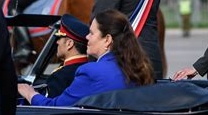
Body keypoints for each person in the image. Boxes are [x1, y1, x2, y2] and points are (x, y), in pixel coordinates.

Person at [18, 9, 155, 106]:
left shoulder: (91, 72)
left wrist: (30, 94)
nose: (87, 37)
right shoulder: (139, 68)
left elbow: (55, 106)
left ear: (107, 40)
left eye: (91, 33)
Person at [47, 14, 90, 97]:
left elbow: (50, 106)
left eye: (59, 38)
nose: (57, 42)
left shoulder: (59, 77)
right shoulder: (92, 69)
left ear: (69, 44)